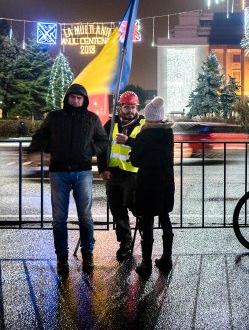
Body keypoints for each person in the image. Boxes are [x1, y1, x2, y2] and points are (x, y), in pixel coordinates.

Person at [28, 84, 109, 275]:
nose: (76, 101)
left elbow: (103, 141)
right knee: (59, 219)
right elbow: (39, 137)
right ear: (67, 99)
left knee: (86, 217)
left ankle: (87, 253)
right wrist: (52, 147)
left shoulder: (91, 118)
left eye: (79, 98)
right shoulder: (54, 117)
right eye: (73, 97)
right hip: (59, 172)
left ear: (84, 100)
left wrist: (91, 150)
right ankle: (61, 258)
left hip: (83, 172)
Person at [129, 96, 175, 278]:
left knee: (147, 219)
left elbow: (136, 161)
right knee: (165, 217)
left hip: (147, 181)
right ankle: (167, 258)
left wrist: (134, 151)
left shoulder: (143, 135)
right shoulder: (168, 134)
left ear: (147, 117)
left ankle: (146, 263)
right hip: (165, 180)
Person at [97, 91, 145, 261]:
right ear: (120, 107)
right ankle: (125, 242)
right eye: (127, 107)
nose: (130, 110)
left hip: (133, 174)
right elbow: (101, 147)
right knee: (117, 210)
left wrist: (129, 141)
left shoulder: (143, 124)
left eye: (133, 107)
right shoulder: (111, 124)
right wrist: (102, 169)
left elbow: (146, 147)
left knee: (137, 207)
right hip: (113, 174)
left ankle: (146, 240)